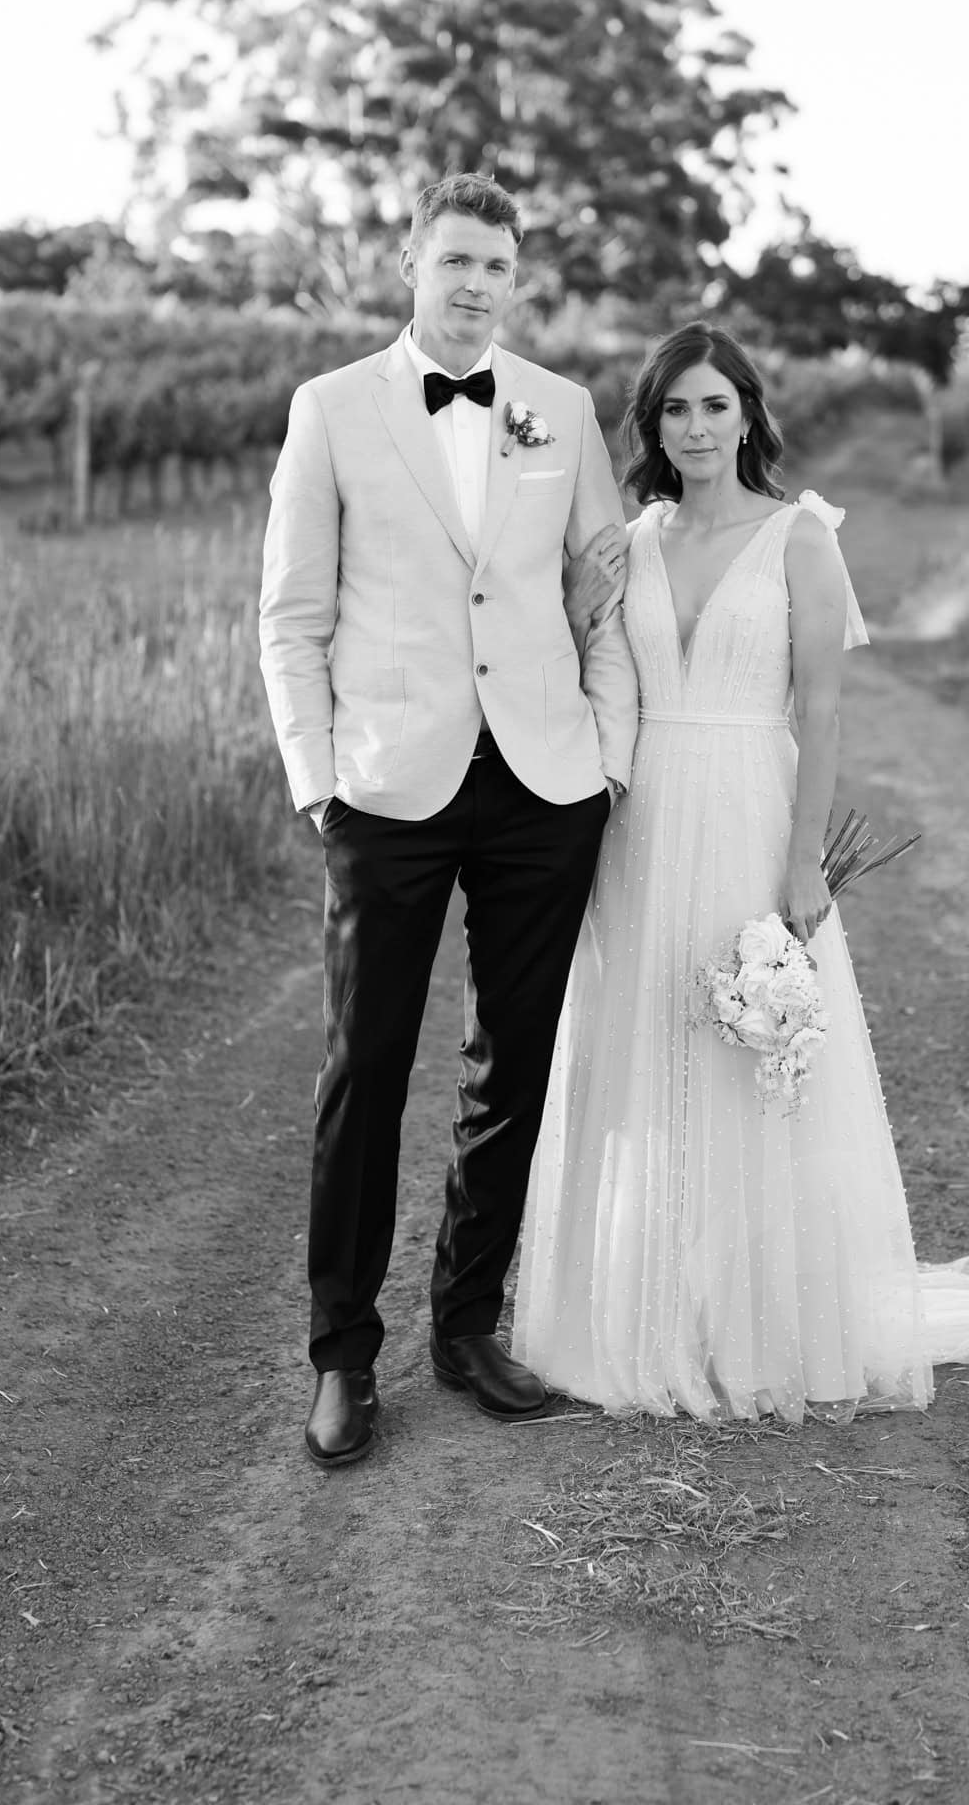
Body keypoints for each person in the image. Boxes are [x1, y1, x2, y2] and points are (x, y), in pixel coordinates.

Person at [512, 323, 969, 1422]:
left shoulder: (800, 537)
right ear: (649, 426)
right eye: (674, 410)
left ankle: (759, 1325)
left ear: (747, 413)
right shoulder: (630, 540)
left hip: (747, 802)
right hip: (639, 820)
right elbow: (577, 664)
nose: (694, 429)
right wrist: (578, 605)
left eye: (714, 405)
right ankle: (647, 1310)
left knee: (752, 1064)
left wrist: (801, 865)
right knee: (643, 1049)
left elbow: (822, 711)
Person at [259, 174, 638, 1466]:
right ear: (410, 263)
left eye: (497, 265)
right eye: (456, 260)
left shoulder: (563, 410)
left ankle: (466, 1323)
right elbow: (290, 617)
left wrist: (612, 755)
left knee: (512, 1062)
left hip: (541, 782)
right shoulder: (331, 411)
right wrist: (318, 776)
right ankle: (341, 1355)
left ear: (514, 279)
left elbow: (606, 596)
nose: (477, 284)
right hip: (387, 786)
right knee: (363, 1067)